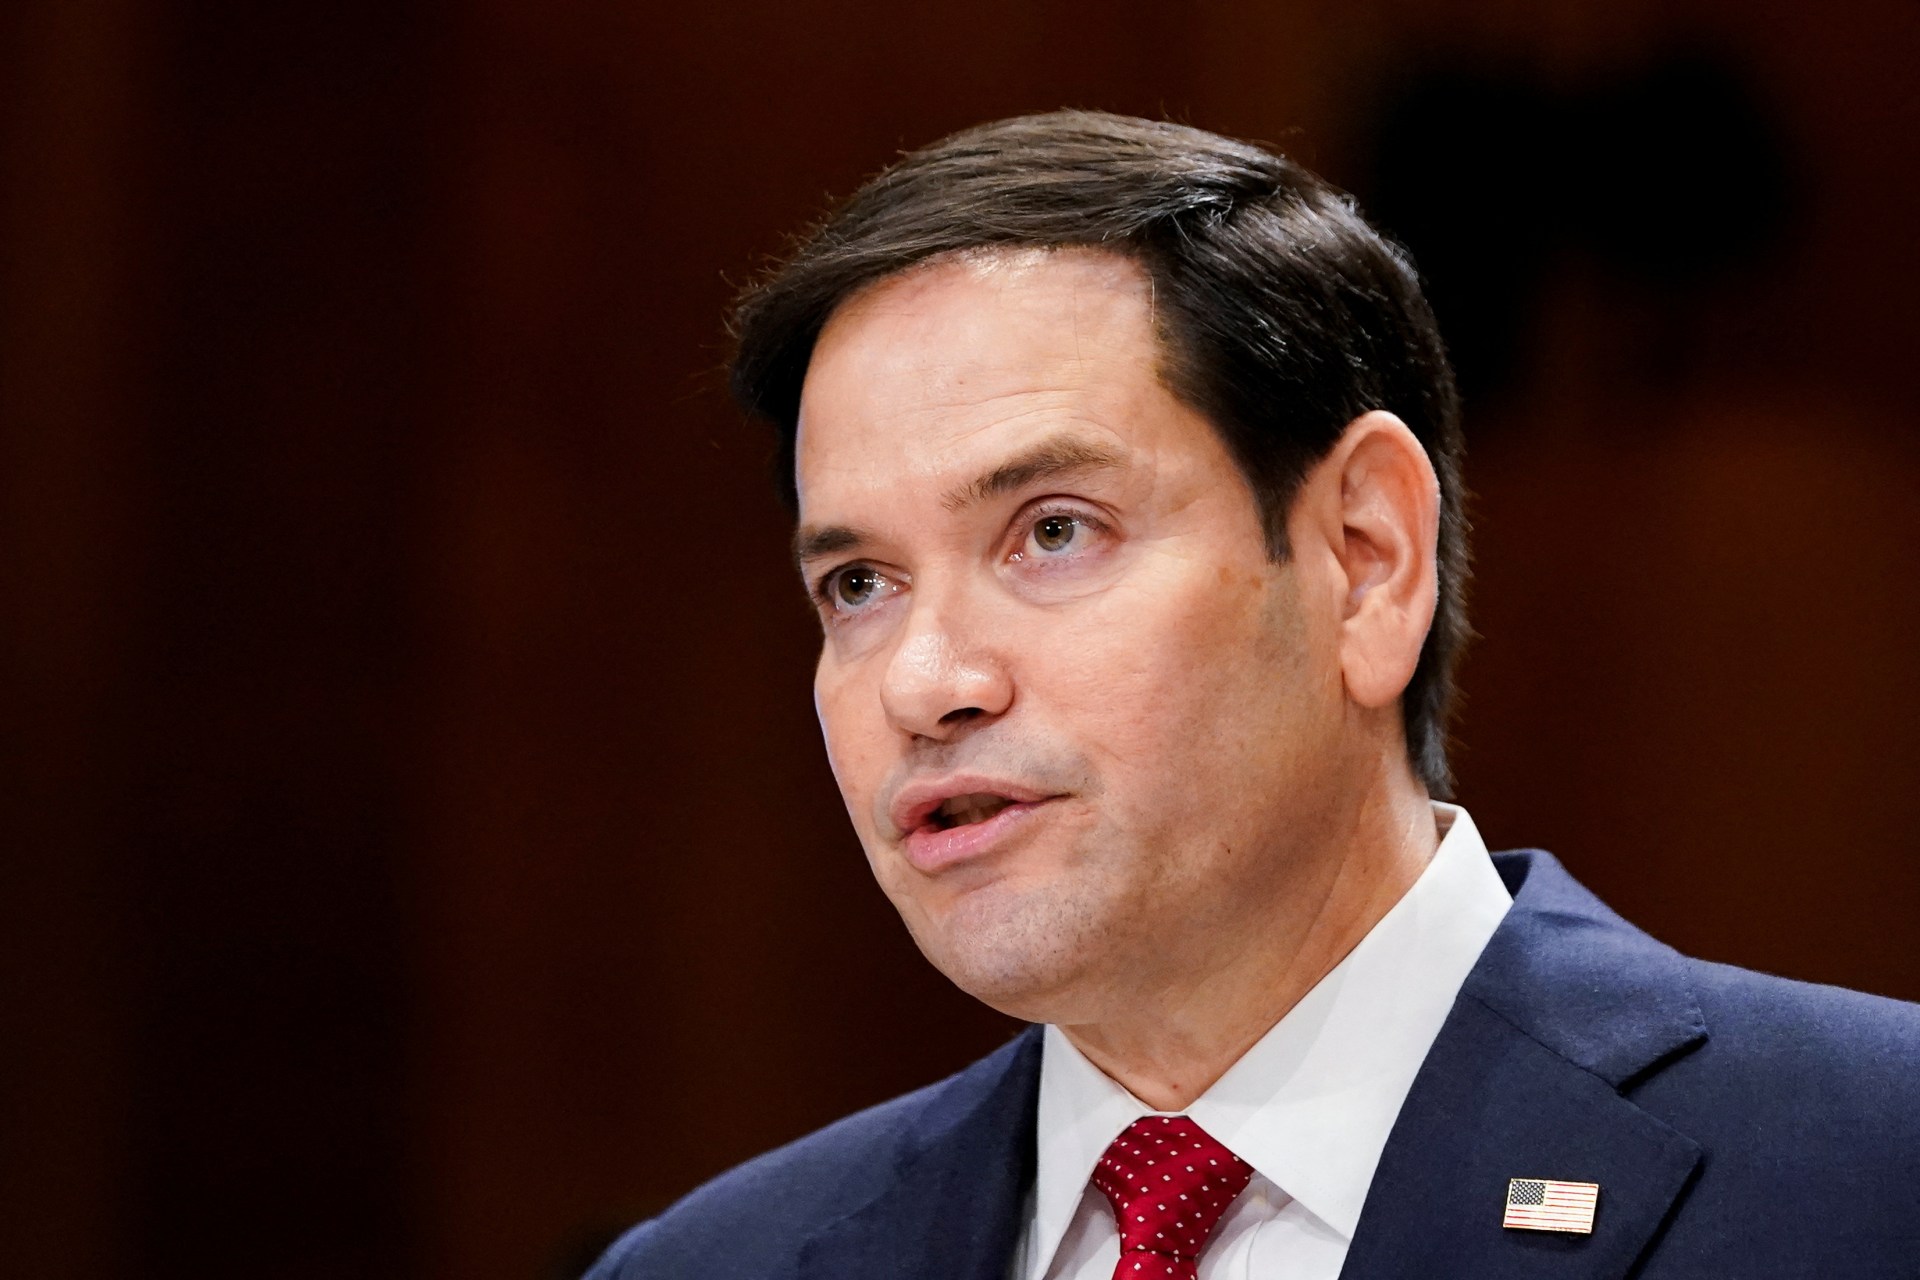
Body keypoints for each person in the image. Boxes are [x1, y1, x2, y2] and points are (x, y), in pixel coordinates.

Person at [586, 111, 1920, 1279]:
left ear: (1362, 561)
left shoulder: (1873, 1174)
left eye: (1054, 531)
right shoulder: (718, 1262)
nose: (928, 684)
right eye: (860, 586)